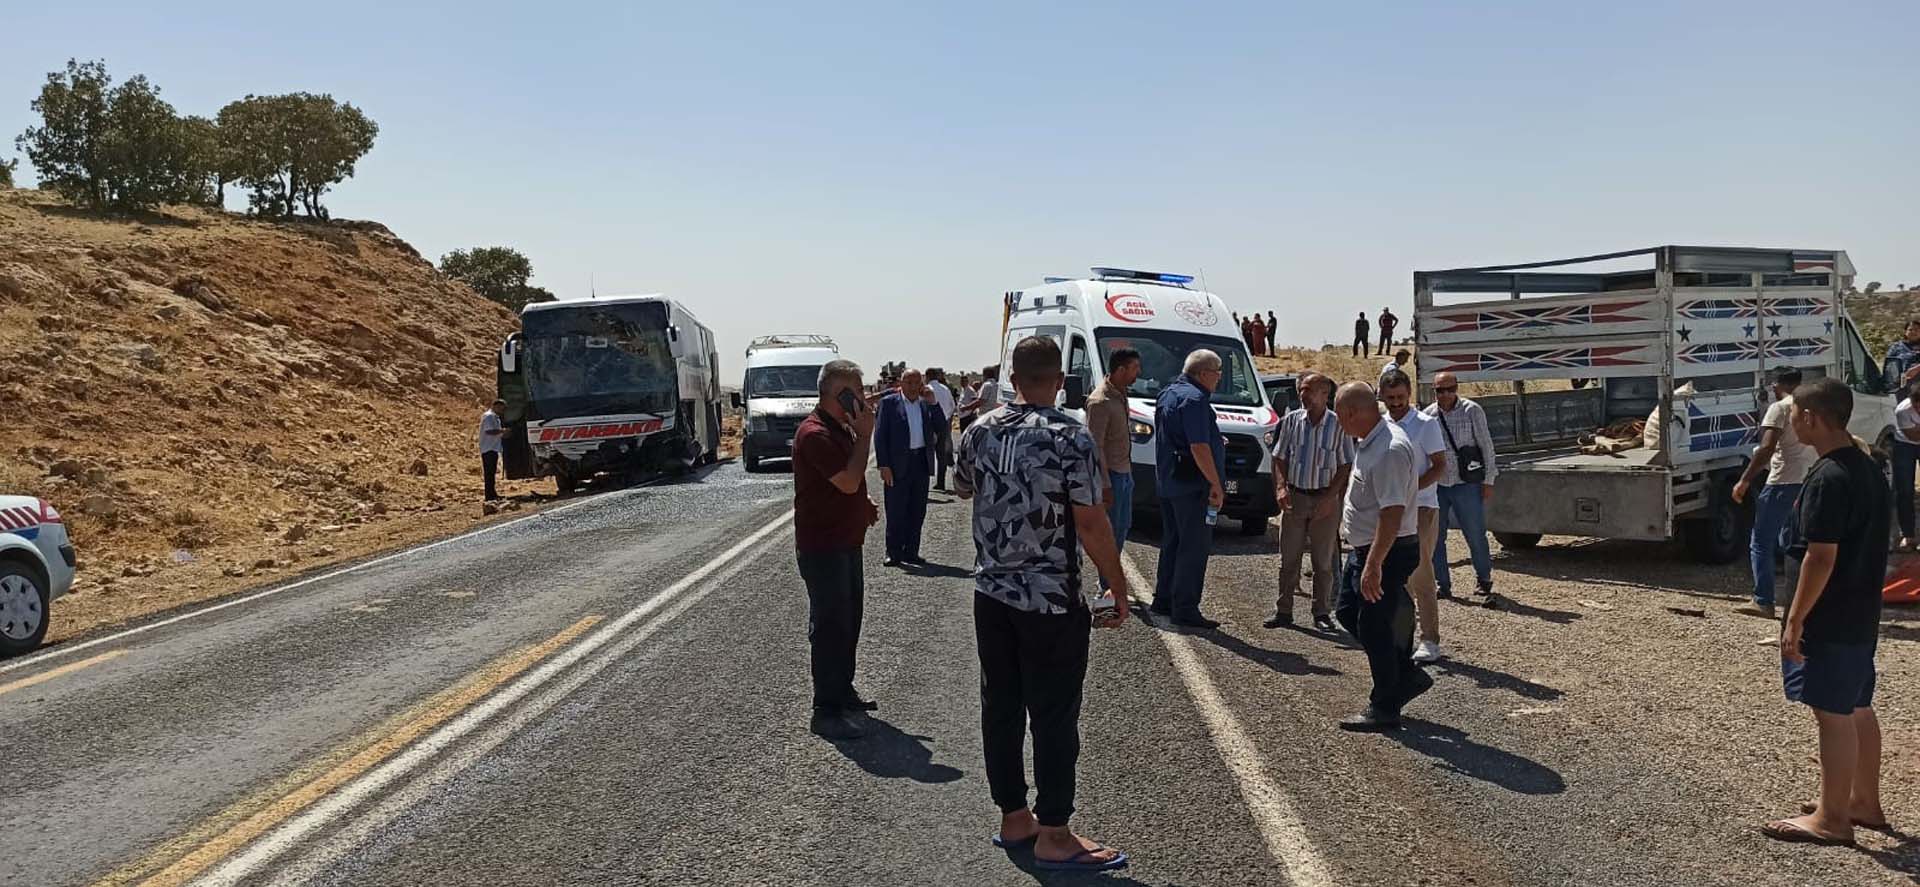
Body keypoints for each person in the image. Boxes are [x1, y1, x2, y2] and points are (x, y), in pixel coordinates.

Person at [956, 335, 1132, 873]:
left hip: (992, 593)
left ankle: (1014, 817)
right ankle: (1054, 831)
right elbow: (1090, 518)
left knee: (1002, 705)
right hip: (1050, 598)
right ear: (1058, 380)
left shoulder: (979, 430)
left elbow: (964, 488)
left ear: (1013, 377)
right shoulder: (1067, 435)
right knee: (1054, 713)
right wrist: (1117, 584)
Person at [1762, 377, 1889, 847]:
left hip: (1830, 616)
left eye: (1794, 413)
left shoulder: (1828, 477)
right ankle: (1863, 802)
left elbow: (1820, 556)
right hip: (1860, 612)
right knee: (1856, 706)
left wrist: (1795, 620)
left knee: (1831, 713)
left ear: (1811, 419)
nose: (1791, 420)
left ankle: (1833, 820)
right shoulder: (1867, 466)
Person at [791, 359, 881, 740]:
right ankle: (825, 709)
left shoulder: (837, 428)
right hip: (823, 545)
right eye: (856, 391)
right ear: (838, 394)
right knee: (830, 626)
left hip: (846, 540)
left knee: (849, 621)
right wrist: (865, 436)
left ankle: (842, 691)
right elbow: (846, 480)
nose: (862, 398)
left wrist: (864, 504)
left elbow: (849, 482)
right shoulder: (815, 433)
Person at [1332, 381, 1429, 732]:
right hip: (1367, 549)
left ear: (1354, 413)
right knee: (1347, 613)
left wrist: (1373, 565)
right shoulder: (1369, 440)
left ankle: (1385, 705)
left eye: (1340, 416)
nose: (1339, 423)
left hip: (1385, 552)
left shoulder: (1389, 449)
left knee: (1374, 627)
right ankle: (1405, 675)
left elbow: (1392, 513)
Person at [1265, 372, 1352, 632]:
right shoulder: (1292, 421)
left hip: (1325, 501)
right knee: (1288, 559)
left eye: (1310, 390)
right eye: (1302, 389)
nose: (1304, 395)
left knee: (1322, 562)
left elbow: (1345, 464)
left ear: (1325, 395)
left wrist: (1330, 498)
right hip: (1296, 497)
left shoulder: (1339, 425)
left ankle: (1321, 612)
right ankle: (1284, 611)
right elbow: (1279, 456)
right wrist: (1281, 487)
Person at [1732, 368, 1816, 617]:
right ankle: (1803, 601)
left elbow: (1766, 448)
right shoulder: (1813, 404)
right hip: (1809, 478)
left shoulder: (1780, 408)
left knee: (1760, 541)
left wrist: (1745, 480)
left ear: (1776, 386)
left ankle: (1763, 599)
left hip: (1782, 481)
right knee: (1796, 541)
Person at [1151, 349, 1226, 628]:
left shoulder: (1168, 394)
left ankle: (1164, 598)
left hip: (1170, 483)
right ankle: (1184, 606)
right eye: (1217, 373)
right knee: (1193, 547)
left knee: (1172, 543)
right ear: (1204, 373)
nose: (1218, 379)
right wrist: (1216, 484)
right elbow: (1198, 446)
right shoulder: (1195, 400)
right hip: (1192, 485)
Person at [1380, 371, 1449, 662]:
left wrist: (1411, 488)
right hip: (1388, 508)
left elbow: (1439, 466)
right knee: (1395, 573)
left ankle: (1430, 638)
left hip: (1421, 507)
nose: (1396, 403)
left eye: (1400, 397)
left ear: (1409, 394)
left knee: (1420, 571)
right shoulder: (1379, 426)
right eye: (1390, 398)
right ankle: (1400, 636)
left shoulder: (1426, 425)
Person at [1426, 371, 1498, 598]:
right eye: (1440, 390)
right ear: (1434, 390)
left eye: (1450, 389)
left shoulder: (1471, 410)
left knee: (1475, 533)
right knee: (1435, 537)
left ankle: (1484, 578)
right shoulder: (1428, 415)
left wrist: (1488, 480)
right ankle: (1442, 584)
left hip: (1466, 483)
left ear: (1457, 388)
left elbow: (1486, 446)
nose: (1446, 394)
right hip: (1438, 485)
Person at [875, 368, 945, 567]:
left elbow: (941, 427)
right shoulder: (889, 404)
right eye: (909, 382)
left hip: (920, 463)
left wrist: (934, 402)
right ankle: (893, 552)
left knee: (917, 510)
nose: (913, 387)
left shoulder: (926, 404)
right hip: (897, 465)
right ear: (901, 384)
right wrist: (884, 465)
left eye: (917, 383)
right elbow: (880, 436)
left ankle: (911, 551)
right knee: (896, 509)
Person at [1084, 348, 1142, 584]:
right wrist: (1105, 484)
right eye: (1135, 368)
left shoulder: (1121, 394)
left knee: (1123, 527)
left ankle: (1109, 581)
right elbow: (1095, 447)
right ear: (1121, 369)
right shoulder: (1100, 401)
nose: (1139, 373)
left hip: (1125, 473)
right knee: (1111, 533)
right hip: (1112, 478)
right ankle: (1107, 584)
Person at [1894, 382, 1920, 551]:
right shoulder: (1902, 410)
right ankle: (1908, 534)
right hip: (1905, 445)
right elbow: (1914, 437)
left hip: (1913, 438)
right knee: (1904, 490)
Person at [928, 369, 958, 492]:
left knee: (926, 453)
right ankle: (941, 482)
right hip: (944, 424)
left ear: (928, 376)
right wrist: (947, 419)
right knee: (942, 455)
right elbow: (952, 407)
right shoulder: (945, 389)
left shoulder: (926, 389)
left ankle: (924, 480)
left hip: (929, 425)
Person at [478, 399, 507, 501]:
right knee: (489, 473)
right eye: (501, 409)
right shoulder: (489, 416)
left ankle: (492, 494)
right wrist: (502, 431)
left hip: (493, 448)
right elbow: (489, 431)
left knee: (491, 473)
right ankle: (489, 496)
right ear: (496, 406)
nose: (502, 411)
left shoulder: (495, 417)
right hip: (488, 448)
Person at [1883, 317, 1920, 394]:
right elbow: (1889, 364)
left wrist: (1917, 368)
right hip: (1900, 386)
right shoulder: (1896, 347)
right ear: (1905, 332)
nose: (1913, 332)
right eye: (1910, 330)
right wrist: (1896, 376)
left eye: (1916, 330)